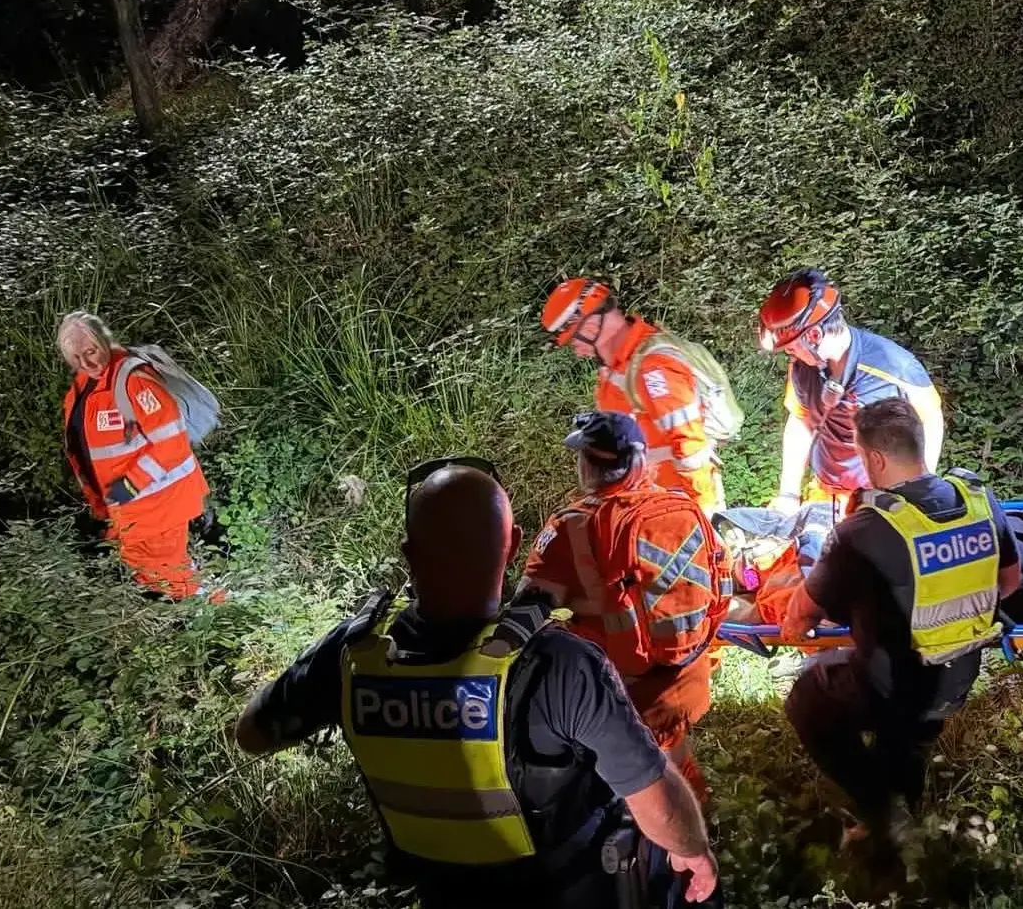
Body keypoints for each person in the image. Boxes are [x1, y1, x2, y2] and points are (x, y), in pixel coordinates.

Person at [232, 461, 721, 909]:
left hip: (443, 891)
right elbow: (657, 803)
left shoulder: (352, 653)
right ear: (513, 545)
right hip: (565, 890)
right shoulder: (559, 662)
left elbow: (252, 734)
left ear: (409, 553)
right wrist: (694, 851)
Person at [778, 398, 1021, 857]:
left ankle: (883, 813)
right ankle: (897, 825)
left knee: (809, 695)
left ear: (872, 458)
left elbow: (798, 619)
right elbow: (1009, 583)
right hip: (959, 677)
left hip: (892, 687)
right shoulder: (977, 498)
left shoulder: (862, 529)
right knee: (905, 740)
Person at [520, 412, 728, 801]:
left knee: (629, 798)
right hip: (689, 677)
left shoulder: (572, 526)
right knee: (671, 762)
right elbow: (721, 579)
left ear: (585, 465)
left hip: (619, 693)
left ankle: (658, 836)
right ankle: (698, 808)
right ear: (640, 462)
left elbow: (528, 608)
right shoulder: (682, 507)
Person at [57, 311, 217, 601]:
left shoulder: (134, 381)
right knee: (151, 578)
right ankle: (194, 624)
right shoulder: (83, 387)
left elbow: (171, 445)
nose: (86, 363)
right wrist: (105, 505)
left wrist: (127, 488)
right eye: (76, 357)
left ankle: (217, 622)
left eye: (91, 351)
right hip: (127, 509)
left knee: (174, 580)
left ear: (105, 340)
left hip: (157, 504)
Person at [757, 269, 944, 515]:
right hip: (827, 493)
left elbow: (931, 421)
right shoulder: (802, 368)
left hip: (881, 500)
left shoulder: (895, 366)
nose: (791, 355)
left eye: (792, 348)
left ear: (814, 335)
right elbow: (802, 421)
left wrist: (919, 492)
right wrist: (788, 494)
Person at [542, 279, 734, 514]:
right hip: (646, 501)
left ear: (591, 327)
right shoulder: (615, 367)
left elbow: (691, 448)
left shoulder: (654, 367)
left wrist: (703, 512)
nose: (575, 349)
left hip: (678, 503)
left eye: (573, 339)